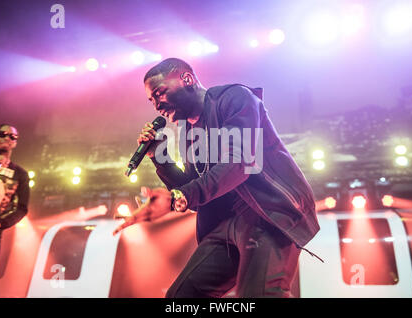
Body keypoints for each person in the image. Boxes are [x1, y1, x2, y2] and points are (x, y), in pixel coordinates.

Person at [114, 58, 321, 298]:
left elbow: (240, 163)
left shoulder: (235, 99)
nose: (157, 106)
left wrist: (176, 197)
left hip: (266, 215)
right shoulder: (188, 131)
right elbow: (194, 192)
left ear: (187, 79)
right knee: (181, 297)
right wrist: (159, 156)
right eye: (151, 100)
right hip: (224, 225)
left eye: (160, 93)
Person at [0, 124, 30, 297]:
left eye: (13, 137)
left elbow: (22, 208)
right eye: (3, 134)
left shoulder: (20, 174)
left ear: (15, 143)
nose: (8, 138)